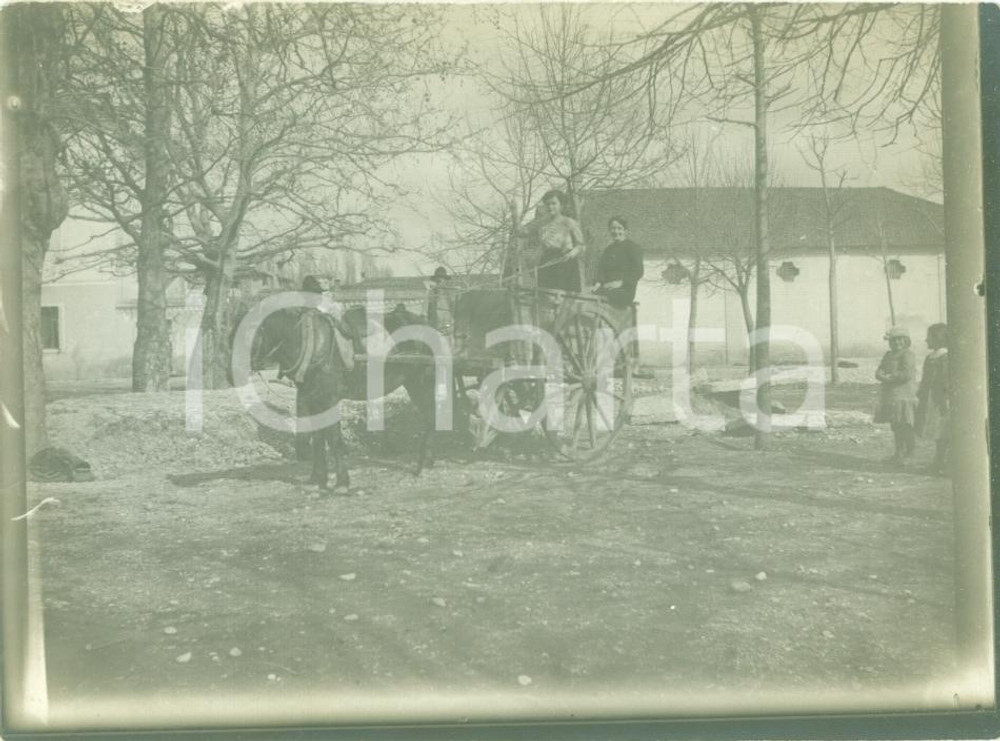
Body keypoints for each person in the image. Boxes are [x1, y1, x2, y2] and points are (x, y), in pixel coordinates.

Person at [516, 190, 585, 292]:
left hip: (565, 262)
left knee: (564, 296)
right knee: (545, 295)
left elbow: (581, 245)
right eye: (547, 204)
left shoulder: (569, 222)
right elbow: (520, 233)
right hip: (547, 260)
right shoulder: (541, 222)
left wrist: (571, 254)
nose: (550, 207)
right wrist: (514, 215)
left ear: (561, 205)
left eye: (554, 203)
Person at [874, 326, 918, 466]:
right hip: (891, 395)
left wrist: (889, 377)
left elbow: (907, 374)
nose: (896, 343)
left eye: (900, 339)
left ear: (906, 341)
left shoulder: (908, 354)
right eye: (893, 340)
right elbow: (879, 370)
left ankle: (909, 454)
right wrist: (881, 375)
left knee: (906, 425)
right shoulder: (888, 355)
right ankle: (898, 453)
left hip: (905, 395)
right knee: (896, 425)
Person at [916, 323, 949, 475]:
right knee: (937, 431)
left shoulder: (945, 357)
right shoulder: (930, 357)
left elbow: (945, 380)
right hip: (931, 398)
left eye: (929, 337)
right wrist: (921, 394)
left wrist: (945, 399)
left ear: (938, 339)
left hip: (941, 400)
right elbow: (925, 379)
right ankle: (939, 461)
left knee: (943, 431)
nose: (926, 340)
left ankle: (942, 462)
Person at [592, 216, 644, 309]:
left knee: (602, 294)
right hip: (608, 287)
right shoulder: (608, 250)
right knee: (590, 294)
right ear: (609, 230)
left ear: (625, 231)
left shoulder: (633, 247)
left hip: (624, 290)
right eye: (613, 228)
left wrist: (620, 282)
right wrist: (598, 283)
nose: (616, 231)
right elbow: (602, 270)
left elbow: (638, 272)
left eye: (619, 228)